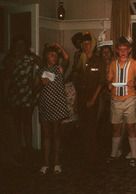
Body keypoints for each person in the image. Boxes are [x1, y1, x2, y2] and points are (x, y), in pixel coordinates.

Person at [2, 35, 42, 154]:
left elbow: (44, 66)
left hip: (28, 92)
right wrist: (15, 59)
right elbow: (6, 75)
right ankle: (17, 148)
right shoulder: (9, 58)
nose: (20, 47)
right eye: (18, 44)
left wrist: (36, 80)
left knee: (27, 121)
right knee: (16, 122)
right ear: (14, 46)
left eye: (22, 44)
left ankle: (29, 147)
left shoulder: (31, 57)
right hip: (15, 93)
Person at [34, 43, 70, 175]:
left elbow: (67, 57)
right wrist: (42, 84)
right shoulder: (40, 71)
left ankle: (56, 163)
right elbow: (34, 89)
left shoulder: (59, 69)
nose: (54, 57)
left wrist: (57, 45)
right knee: (46, 136)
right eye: (51, 54)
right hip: (45, 106)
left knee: (56, 135)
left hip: (57, 106)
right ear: (46, 56)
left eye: (55, 55)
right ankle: (45, 163)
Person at [74, 31, 106, 166]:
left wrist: (93, 99)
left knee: (92, 129)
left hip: (94, 97)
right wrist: (76, 101)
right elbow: (77, 81)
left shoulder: (99, 60)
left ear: (92, 45)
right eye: (84, 44)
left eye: (88, 43)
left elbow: (101, 82)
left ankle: (93, 159)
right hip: (81, 97)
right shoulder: (80, 58)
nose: (86, 46)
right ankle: (85, 158)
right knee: (83, 128)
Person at [107, 36, 136, 167]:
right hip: (116, 100)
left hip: (130, 99)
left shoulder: (135, 64)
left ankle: (134, 155)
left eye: (125, 49)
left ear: (129, 50)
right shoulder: (113, 64)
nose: (123, 51)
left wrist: (134, 83)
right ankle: (114, 153)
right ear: (116, 50)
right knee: (116, 127)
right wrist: (109, 84)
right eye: (120, 49)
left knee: (131, 127)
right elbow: (109, 79)